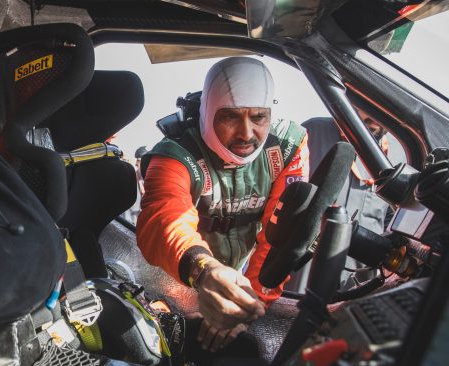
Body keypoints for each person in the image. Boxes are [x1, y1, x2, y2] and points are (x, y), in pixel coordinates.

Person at [137, 57, 309, 351]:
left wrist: (249, 307)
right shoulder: (175, 154)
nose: (246, 133)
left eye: (258, 117)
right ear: (208, 110)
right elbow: (165, 221)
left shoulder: (287, 146)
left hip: (237, 276)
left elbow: (280, 236)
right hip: (173, 280)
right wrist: (203, 270)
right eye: (230, 117)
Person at [285, 115, 406, 293]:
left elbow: (392, 218)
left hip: (357, 284)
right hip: (300, 273)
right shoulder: (313, 131)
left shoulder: (401, 154)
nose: (374, 118)